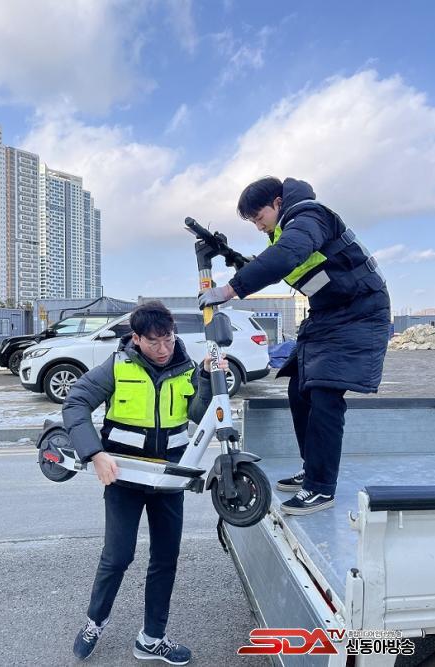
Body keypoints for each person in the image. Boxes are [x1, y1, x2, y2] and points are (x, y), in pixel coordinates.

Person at [199, 176, 390, 515]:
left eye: (259, 217)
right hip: (329, 313)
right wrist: (238, 259)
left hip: (359, 312)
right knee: (299, 387)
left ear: (277, 202)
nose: (258, 226)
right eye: (252, 222)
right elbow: (282, 260)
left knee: (325, 394)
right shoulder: (287, 229)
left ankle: (321, 487)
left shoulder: (308, 216)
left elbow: (287, 255)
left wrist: (230, 289)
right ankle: (312, 468)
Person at [62, 301, 227, 664]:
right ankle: (95, 622)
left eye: (168, 339)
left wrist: (207, 380)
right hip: (124, 477)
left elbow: (200, 415)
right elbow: (75, 404)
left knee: (166, 558)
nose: (163, 348)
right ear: (136, 338)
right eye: (154, 342)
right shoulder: (117, 366)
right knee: (117, 556)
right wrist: (94, 453)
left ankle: (152, 638)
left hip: (169, 479)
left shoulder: (187, 366)